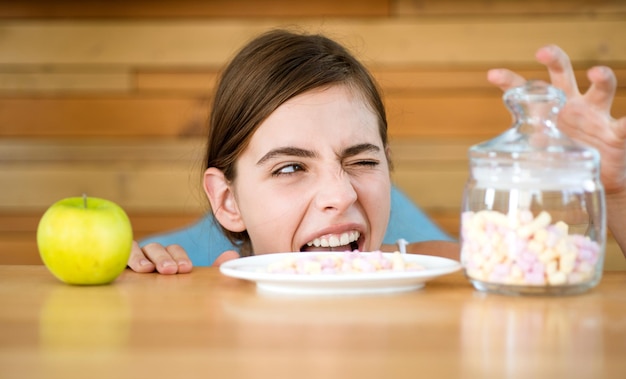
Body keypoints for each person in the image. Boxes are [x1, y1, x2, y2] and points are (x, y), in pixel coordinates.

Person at [127, 29, 626, 275]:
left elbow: (559, 270)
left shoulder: (445, 271)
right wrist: (132, 278)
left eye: (362, 161)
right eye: (291, 167)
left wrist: (616, 195)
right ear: (228, 201)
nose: (340, 195)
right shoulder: (196, 290)